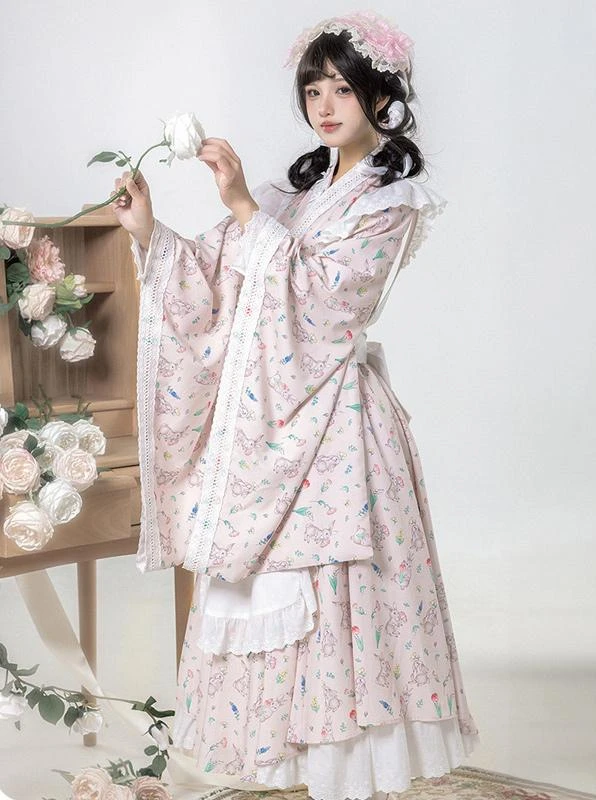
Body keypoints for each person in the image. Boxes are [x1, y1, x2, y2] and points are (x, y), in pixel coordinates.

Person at [112, 10, 480, 800]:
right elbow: (219, 278)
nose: (325, 105)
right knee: (258, 580)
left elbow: (327, 305)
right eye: (314, 90)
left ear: (380, 96)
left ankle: (343, 766)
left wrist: (245, 207)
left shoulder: (390, 200)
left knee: (333, 589)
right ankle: (277, 761)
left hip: (337, 426)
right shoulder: (300, 192)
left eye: (342, 89)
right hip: (266, 420)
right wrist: (150, 233)